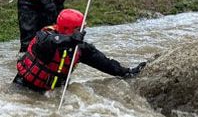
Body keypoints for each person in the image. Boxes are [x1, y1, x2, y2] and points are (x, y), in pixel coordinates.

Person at [14, 9, 147, 92]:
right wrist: (70, 39)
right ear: (68, 30)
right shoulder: (43, 38)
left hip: (52, 92)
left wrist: (128, 72)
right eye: (80, 28)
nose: (83, 31)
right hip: (22, 88)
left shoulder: (80, 48)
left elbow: (105, 64)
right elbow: (53, 41)